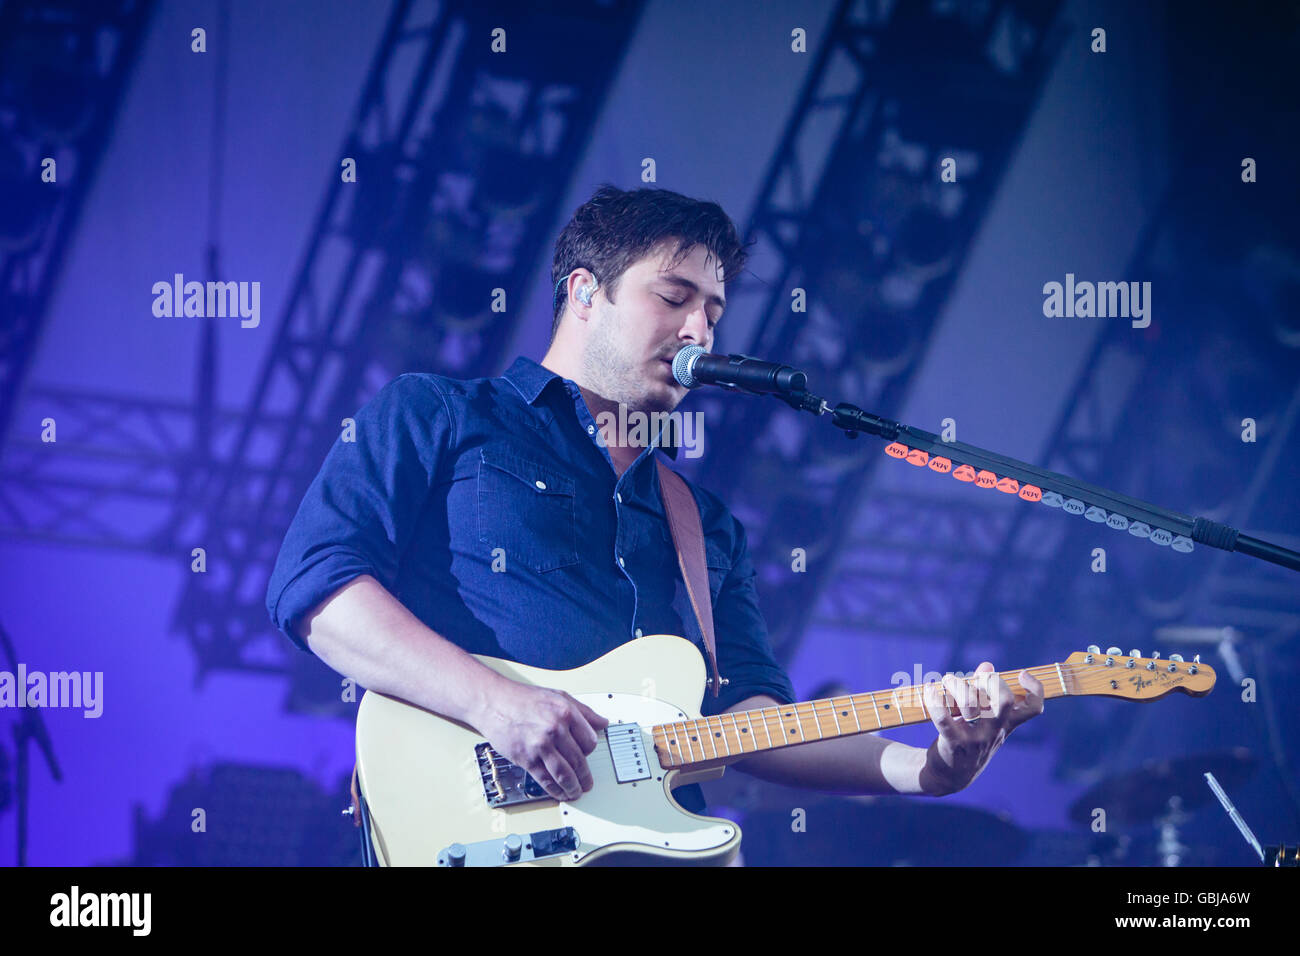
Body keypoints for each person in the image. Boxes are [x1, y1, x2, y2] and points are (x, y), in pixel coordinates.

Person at [265, 183, 1044, 824]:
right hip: (472, 823)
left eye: (713, 308)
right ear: (584, 295)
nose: (698, 326)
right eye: (675, 296)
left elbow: (755, 724)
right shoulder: (438, 413)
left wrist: (936, 767)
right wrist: (497, 705)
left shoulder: (703, 526)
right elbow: (318, 589)